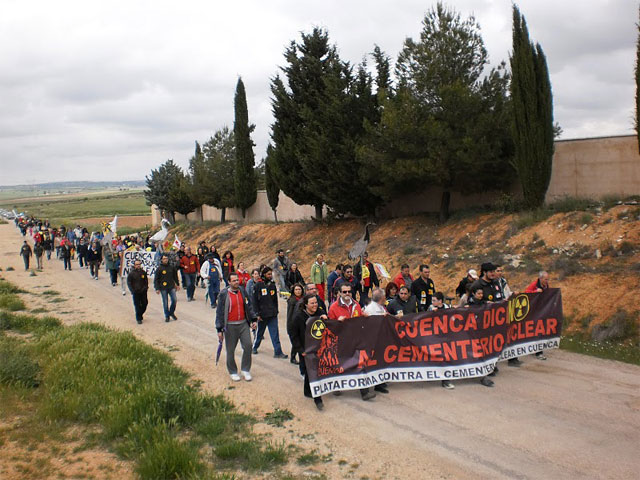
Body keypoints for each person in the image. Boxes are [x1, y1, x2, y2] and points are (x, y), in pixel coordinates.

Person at [328, 284, 376, 401]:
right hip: (341, 341)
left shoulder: (356, 305)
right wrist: (337, 322)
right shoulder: (333, 308)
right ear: (339, 293)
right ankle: (336, 385)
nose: (347, 294)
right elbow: (330, 327)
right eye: (344, 292)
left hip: (356, 340)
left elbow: (359, 319)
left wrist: (364, 316)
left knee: (360, 363)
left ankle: (364, 392)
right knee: (340, 364)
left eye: (349, 291)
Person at [216, 273, 257, 381]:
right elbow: (219, 312)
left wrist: (253, 319)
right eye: (234, 281)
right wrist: (219, 329)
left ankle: (245, 369)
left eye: (237, 280)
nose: (236, 282)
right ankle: (233, 371)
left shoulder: (242, 291)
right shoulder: (224, 294)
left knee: (248, 345)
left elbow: (249, 305)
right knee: (230, 350)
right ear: (229, 282)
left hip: (243, 324)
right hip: (230, 326)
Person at [291, 293, 326, 410]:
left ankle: (308, 390)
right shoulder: (298, 317)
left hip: (319, 348)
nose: (315, 305)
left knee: (312, 371)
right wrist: (300, 350)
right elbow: (294, 335)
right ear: (306, 304)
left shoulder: (320, 313)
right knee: (311, 371)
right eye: (312, 303)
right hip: (305, 349)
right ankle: (318, 399)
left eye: (316, 302)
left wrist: (327, 319)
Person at [252, 267, 288, 358]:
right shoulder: (258, 285)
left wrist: (276, 310)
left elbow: (275, 299)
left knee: (275, 333)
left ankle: (278, 352)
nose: (270, 276)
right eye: (268, 274)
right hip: (262, 314)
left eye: (270, 274)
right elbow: (254, 301)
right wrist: (257, 314)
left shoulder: (272, 285)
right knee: (259, 333)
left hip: (272, 314)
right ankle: (254, 347)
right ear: (264, 274)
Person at [525, 271, 550, 360]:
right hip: (533, 311)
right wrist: (535, 291)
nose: (547, 281)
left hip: (542, 310)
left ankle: (538, 350)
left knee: (541, 330)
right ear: (540, 278)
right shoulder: (534, 284)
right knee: (536, 330)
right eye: (545, 279)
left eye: (548, 279)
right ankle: (537, 351)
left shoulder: (546, 285)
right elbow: (526, 293)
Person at [154, 253, 180, 322]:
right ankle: (167, 316)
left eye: (166, 259)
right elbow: (156, 279)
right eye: (164, 259)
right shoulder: (159, 269)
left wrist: (177, 284)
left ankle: (171, 312)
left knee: (174, 300)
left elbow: (175, 276)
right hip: (163, 288)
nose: (165, 260)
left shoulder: (171, 267)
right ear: (161, 260)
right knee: (165, 302)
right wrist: (157, 288)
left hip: (171, 286)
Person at [286, 283, 305, 365]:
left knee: (299, 341)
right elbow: (290, 314)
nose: (298, 291)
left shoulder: (304, 299)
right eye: (296, 289)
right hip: (294, 324)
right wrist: (290, 326)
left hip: (302, 324)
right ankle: (293, 357)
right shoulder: (292, 301)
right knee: (296, 341)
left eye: (299, 289)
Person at [127, 259, 149, 324]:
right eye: (137, 264)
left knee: (145, 303)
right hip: (136, 292)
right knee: (137, 305)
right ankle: (138, 318)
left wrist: (145, 288)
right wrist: (132, 290)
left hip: (143, 291)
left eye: (139, 264)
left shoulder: (143, 272)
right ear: (134, 265)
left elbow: (146, 281)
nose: (138, 265)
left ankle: (140, 313)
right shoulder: (131, 273)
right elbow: (129, 282)